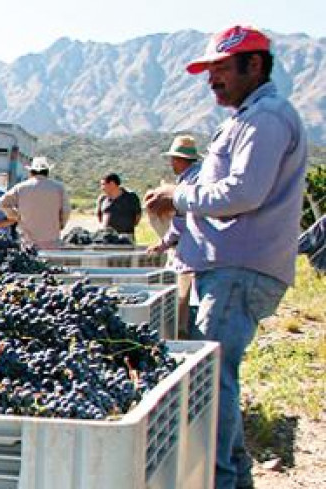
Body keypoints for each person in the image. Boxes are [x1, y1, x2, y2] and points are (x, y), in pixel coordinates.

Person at [143, 26, 308, 489]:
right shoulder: (249, 117)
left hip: (238, 270)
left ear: (254, 65)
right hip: (229, 269)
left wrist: (180, 197)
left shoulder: (266, 118)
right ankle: (234, 477)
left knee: (210, 383)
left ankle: (219, 479)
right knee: (217, 380)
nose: (212, 79)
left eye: (221, 69)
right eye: (208, 70)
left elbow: (244, 191)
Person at [146, 135, 203, 337]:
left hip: (192, 252)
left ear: (178, 160)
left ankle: (186, 334)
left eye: (172, 159)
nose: (171, 164)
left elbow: (181, 221)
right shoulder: (199, 176)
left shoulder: (187, 184)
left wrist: (163, 244)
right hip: (204, 252)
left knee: (186, 299)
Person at [0, 157, 70, 249]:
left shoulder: (20, 187)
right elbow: (66, 210)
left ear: (31, 172)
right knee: (51, 263)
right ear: (47, 172)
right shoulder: (59, 188)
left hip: (27, 240)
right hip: (51, 239)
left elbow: (2, 203)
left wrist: (16, 216)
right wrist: (60, 225)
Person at [95, 173, 142, 241]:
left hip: (126, 237)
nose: (102, 188)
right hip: (106, 237)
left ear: (112, 184)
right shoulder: (102, 199)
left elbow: (138, 216)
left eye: (103, 184)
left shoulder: (131, 197)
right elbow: (99, 217)